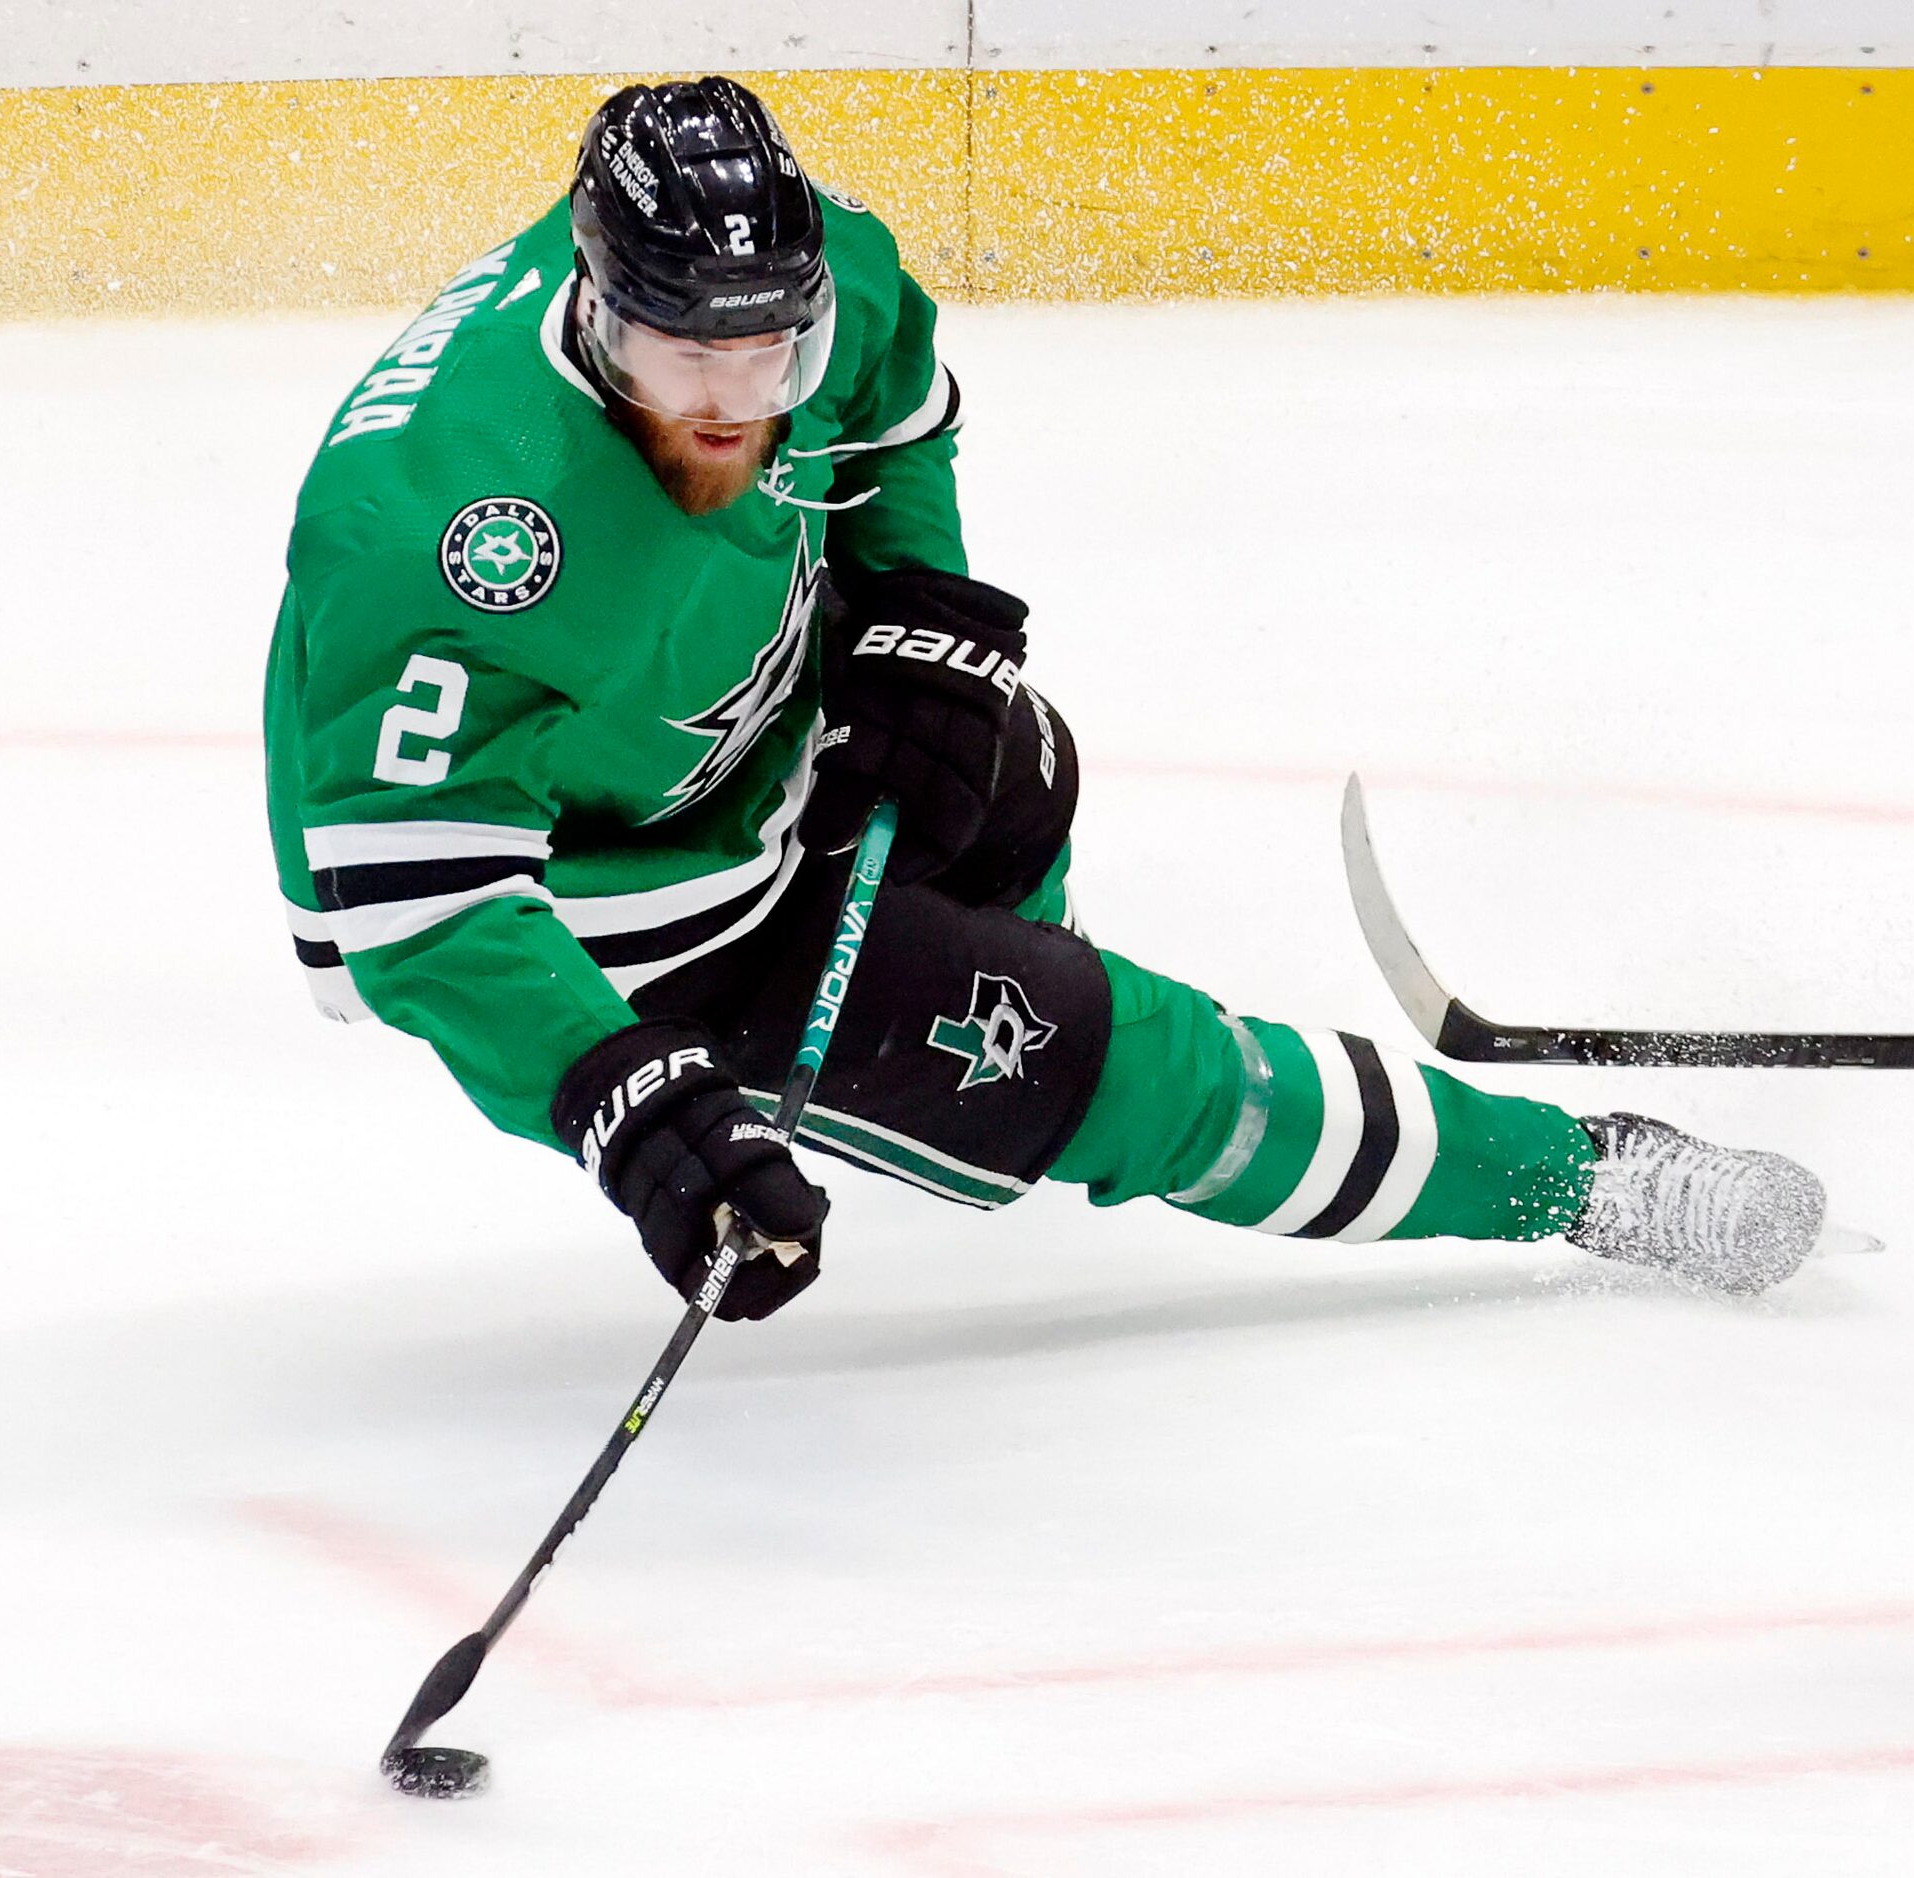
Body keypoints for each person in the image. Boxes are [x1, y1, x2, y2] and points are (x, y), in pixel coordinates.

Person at [262, 76, 1826, 1317]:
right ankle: (1577, 1177)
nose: (743, 402)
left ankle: (1003, 1050)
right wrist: (631, 1102)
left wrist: (916, 615)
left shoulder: (817, 282)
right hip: (626, 905)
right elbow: (425, 907)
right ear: (600, 317)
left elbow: (887, 415)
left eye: (772, 354)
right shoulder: (464, 535)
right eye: (692, 364)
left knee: (1006, 763)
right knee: (1115, 1057)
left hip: (731, 726)